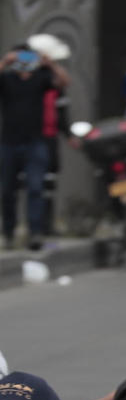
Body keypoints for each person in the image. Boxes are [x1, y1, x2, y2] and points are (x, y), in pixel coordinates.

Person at [0, 42, 70, 252]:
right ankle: (9, 233)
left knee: (36, 188)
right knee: (7, 191)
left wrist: (49, 64)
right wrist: (6, 61)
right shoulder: (7, 79)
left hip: (35, 143)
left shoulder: (41, 78)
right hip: (9, 143)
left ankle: (35, 233)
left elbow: (64, 82)